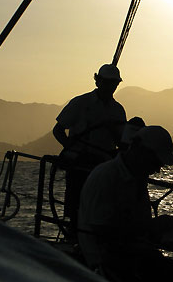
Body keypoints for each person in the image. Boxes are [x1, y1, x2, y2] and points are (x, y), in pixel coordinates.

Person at [77, 125, 173, 282]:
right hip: (107, 264)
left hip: (131, 257)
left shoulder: (136, 179)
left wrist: (157, 233)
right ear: (138, 149)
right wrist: (151, 227)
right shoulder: (105, 177)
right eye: (155, 161)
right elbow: (102, 233)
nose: (157, 169)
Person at [52, 64, 127, 233]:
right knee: (76, 206)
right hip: (79, 164)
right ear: (98, 81)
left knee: (102, 208)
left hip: (104, 166)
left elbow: (121, 142)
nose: (110, 87)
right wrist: (71, 148)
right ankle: (73, 235)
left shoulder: (118, 110)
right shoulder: (80, 103)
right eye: (107, 82)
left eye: (114, 83)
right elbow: (58, 130)